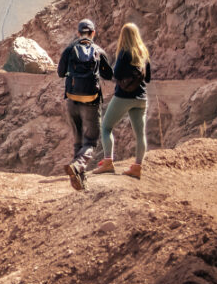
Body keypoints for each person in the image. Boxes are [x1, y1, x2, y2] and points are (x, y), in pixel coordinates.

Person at [56, 19, 112, 190]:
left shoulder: (69, 49)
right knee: (91, 141)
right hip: (91, 101)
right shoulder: (98, 51)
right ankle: (79, 166)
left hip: (72, 99)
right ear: (93, 33)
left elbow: (60, 73)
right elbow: (108, 75)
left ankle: (79, 179)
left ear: (78, 33)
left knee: (78, 139)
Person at [94, 22, 152, 179]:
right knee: (140, 134)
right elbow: (148, 78)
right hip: (141, 98)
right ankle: (137, 167)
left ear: (123, 36)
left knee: (106, 127)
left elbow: (116, 74)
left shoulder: (124, 52)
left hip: (123, 97)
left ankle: (108, 162)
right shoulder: (143, 53)